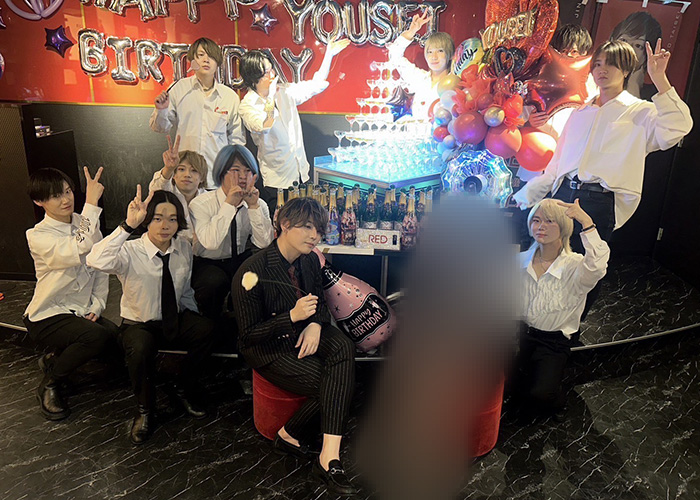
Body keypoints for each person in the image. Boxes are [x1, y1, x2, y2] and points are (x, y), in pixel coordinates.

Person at [513, 39, 693, 252]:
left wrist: (659, 79)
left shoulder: (640, 112)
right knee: (550, 260)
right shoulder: (580, 112)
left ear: (626, 70)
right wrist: (533, 190)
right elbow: (559, 161)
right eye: (597, 64)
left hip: (599, 199)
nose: (602, 70)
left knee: (585, 264)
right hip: (563, 193)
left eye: (611, 63)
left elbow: (679, 126)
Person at [232, 198, 357, 496]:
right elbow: (247, 336)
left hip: (304, 330)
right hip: (268, 346)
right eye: (307, 227)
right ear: (284, 225)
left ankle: (327, 455)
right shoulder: (252, 271)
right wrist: (290, 317)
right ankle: (292, 435)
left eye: (319, 230)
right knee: (332, 383)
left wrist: (315, 323)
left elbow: (319, 300)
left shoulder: (310, 259)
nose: (315, 236)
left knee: (344, 347)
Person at [87, 187, 215, 445]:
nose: (165, 225)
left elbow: (184, 289)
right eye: (157, 218)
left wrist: (193, 314)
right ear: (147, 220)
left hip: (173, 317)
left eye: (172, 219)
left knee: (207, 330)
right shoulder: (129, 251)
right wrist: (127, 226)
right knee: (139, 349)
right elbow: (95, 260)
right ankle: (145, 409)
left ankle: (183, 387)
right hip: (140, 323)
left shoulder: (183, 247)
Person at [23, 167, 118, 421]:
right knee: (96, 338)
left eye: (67, 191)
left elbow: (99, 268)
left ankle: (56, 358)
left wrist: (97, 305)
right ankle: (50, 383)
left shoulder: (84, 221)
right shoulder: (37, 235)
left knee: (114, 340)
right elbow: (78, 248)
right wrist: (91, 203)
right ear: (39, 201)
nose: (66, 199)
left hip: (80, 310)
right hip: (48, 314)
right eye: (56, 196)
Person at [516, 198, 609, 418]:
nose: (541, 226)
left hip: (554, 341)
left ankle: (559, 394)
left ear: (564, 227)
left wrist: (586, 221)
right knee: (507, 386)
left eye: (550, 221)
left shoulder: (575, 266)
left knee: (540, 394)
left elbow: (597, 265)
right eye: (536, 220)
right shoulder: (519, 260)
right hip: (521, 334)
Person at [238, 40, 349, 209]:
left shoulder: (284, 92)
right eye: (266, 72)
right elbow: (265, 125)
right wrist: (270, 98)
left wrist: (329, 55)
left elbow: (316, 85)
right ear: (253, 78)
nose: (272, 74)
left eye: (271, 69)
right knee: (282, 221)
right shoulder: (247, 105)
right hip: (277, 180)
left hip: (300, 172)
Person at [189, 145, 274, 320]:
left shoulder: (258, 204)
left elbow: (264, 243)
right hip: (209, 262)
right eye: (235, 170)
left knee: (259, 279)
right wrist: (229, 204)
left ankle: (247, 325)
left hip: (241, 259)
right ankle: (210, 324)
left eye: (248, 171)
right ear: (221, 173)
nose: (243, 176)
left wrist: (253, 207)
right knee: (213, 282)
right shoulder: (200, 203)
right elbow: (211, 243)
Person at [149, 37, 245, 187]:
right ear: (192, 60)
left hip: (216, 177)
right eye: (201, 55)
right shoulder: (179, 89)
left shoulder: (229, 97)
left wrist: (233, 172)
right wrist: (161, 110)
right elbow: (160, 128)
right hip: (185, 177)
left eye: (211, 56)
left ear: (218, 62)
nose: (206, 60)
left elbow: (237, 140)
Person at [527, 24, 595, 142]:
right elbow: (521, 117)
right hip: (538, 142)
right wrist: (530, 121)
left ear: (584, 53)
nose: (568, 56)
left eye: (574, 52)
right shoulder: (542, 76)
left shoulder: (592, 82)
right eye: (563, 51)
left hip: (571, 144)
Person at [387, 11, 455, 120]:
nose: (434, 57)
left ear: (451, 55)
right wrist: (411, 32)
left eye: (440, 51)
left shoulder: (456, 84)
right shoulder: (418, 78)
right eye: (430, 52)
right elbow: (394, 55)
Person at [148, 135, 208, 243]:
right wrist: (169, 168)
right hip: (170, 248)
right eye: (181, 169)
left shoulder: (209, 199)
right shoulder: (168, 193)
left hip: (203, 250)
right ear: (174, 175)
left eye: (194, 170)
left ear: (202, 178)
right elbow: (156, 189)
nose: (187, 175)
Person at [611, 11, 662, 100]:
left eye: (638, 45)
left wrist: (634, 85)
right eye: (623, 40)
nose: (628, 48)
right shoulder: (595, 78)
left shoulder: (655, 95)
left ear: (647, 56)